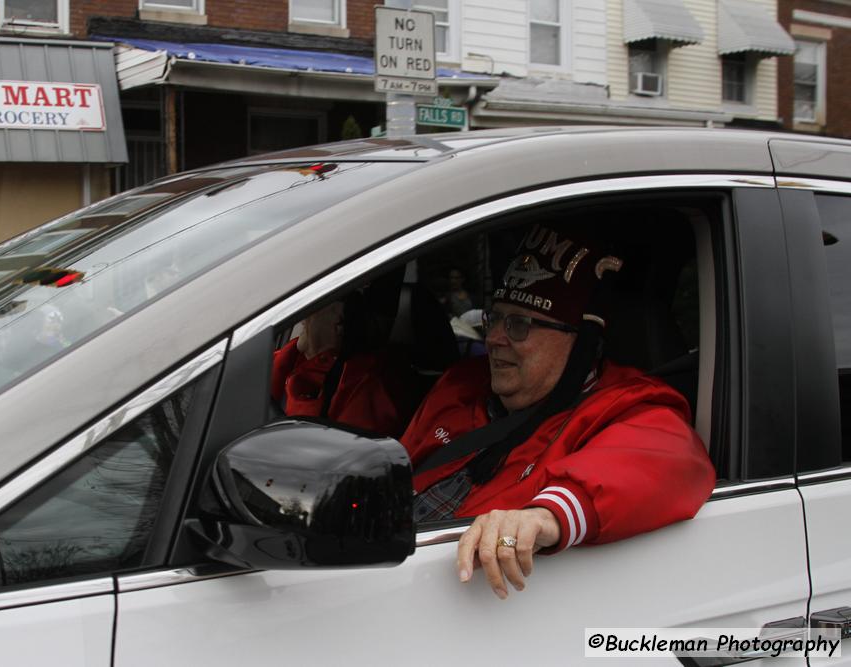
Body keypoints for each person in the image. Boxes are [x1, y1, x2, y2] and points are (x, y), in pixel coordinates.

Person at [401, 224, 715, 599]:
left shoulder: (625, 406)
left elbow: (672, 458)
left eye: (519, 325)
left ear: (579, 339)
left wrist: (543, 517)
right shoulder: (460, 385)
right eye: (495, 318)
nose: (494, 339)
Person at [271, 296, 412, 438]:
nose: (302, 318)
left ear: (339, 324)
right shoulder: (289, 357)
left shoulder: (364, 393)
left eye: (314, 308)